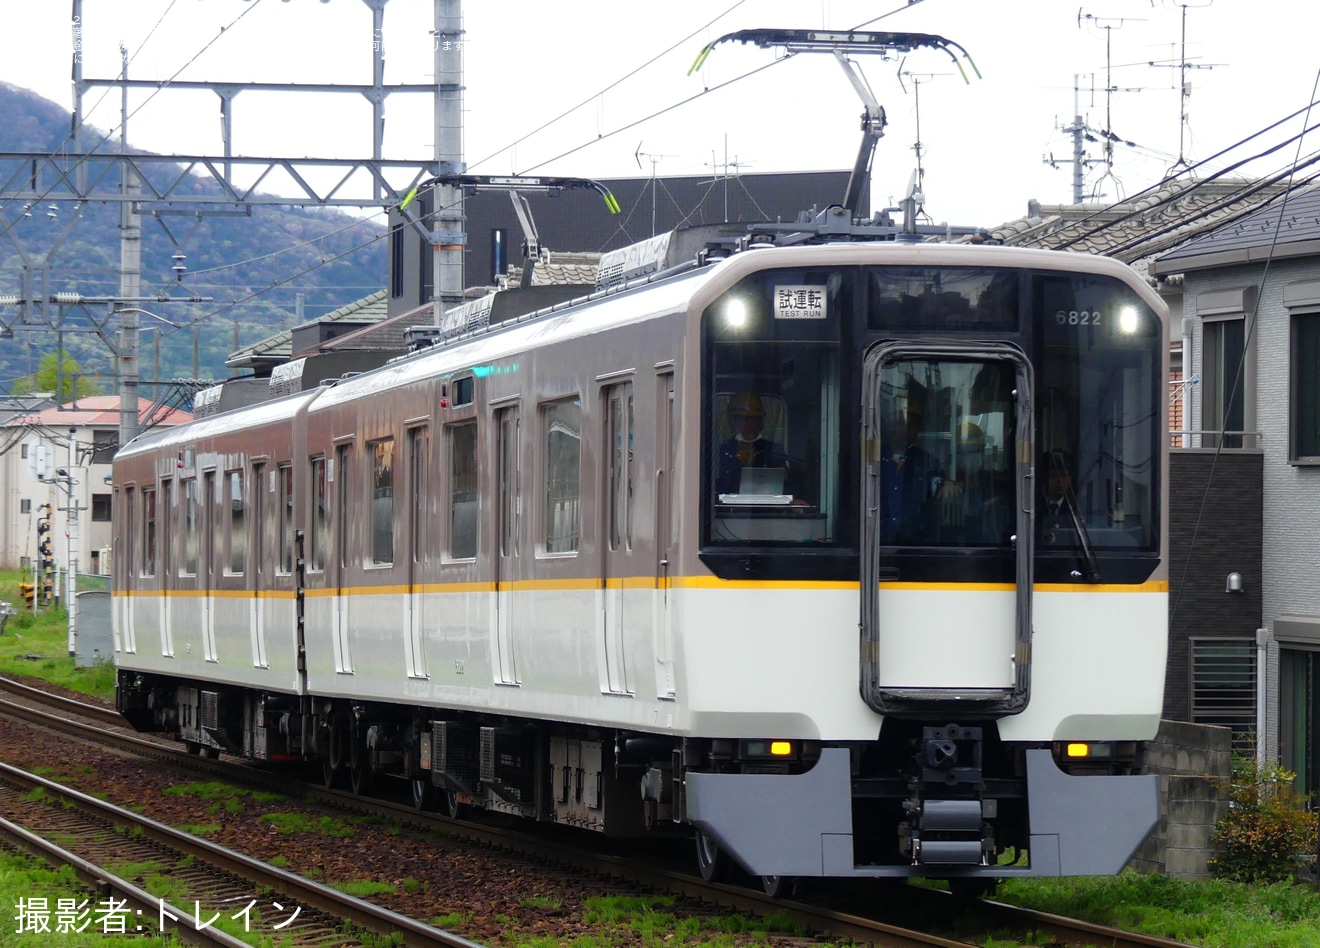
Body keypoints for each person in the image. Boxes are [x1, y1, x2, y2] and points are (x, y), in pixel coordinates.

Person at [714, 392, 791, 496]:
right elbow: (718, 486)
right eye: (743, 419)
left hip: (768, 510)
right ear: (732, 421)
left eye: (754, 420)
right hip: (728, 510)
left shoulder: (774, 450)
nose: (749, 425)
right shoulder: (721, 451)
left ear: (761, 422)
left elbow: (786, 485)